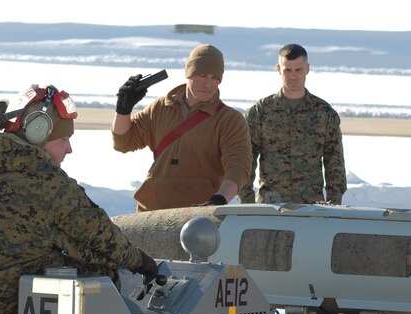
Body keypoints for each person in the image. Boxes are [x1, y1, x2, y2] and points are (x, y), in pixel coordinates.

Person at [0, 83, 159, 314]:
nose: (69, 149)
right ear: (37, 132)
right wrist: (140, 261)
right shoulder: (44, 179)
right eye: (64, 139)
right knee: (102, 275)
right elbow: (102, 237)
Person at [112, 44, 252, 211]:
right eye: (202, 75)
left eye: (215, 77)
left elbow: (238, 168)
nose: (208, 84)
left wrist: (219, 199)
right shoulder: (159, 108)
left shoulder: (230, 120)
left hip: (200, 217)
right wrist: (123, 109)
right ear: (189, 73)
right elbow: (123, 143)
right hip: (152, 213)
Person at [239, 43, 346, 205]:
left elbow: (334, 162)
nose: (293, 76)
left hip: (311, 207)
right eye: (287, 70)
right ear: (278, 69)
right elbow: (246, 159)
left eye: (298, 70)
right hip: (271, 207)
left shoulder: (324, 113)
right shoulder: (261, 112)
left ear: (307, 69)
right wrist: (246, 203)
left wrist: (334, 204)